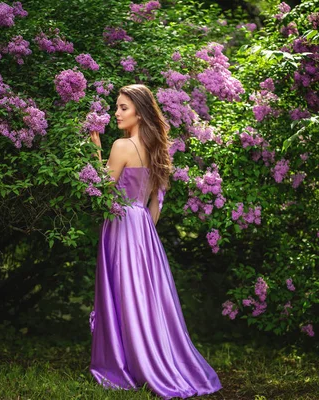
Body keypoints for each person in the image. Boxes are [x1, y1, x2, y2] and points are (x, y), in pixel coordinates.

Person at [88, 84, 222, 399]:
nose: (116, 113)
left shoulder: (121, 146)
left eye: (123, 107)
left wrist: (94, 149)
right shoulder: (156, 149)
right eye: (116, 107)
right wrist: (143, 230)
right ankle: (151, 357)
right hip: (144, 231)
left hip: (121, 225)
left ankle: (128, 364)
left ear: (139, 111)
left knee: (123, 294)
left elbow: (104, 194)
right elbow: (154, 207)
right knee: (143, 298)